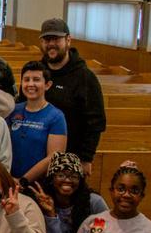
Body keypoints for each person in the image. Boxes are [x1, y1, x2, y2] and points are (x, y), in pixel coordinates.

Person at [38, 18, 106, 176]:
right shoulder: (36, 73)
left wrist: (86, 158)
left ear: (68, 40)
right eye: (47, 40)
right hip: (37, 154)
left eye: (56, 39)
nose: (51, 44)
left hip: (71, 157)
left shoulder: (85, 77)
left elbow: (95, 122)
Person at [7, 61, 67, 182]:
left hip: (38, 183)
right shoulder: (13, 110)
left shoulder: (56, 116)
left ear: (47, 85)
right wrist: (7, 178)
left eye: (36, 79)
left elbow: (53, 157)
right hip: (8, 179)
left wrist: (23, 181)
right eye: (26, 79)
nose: (30, 84)